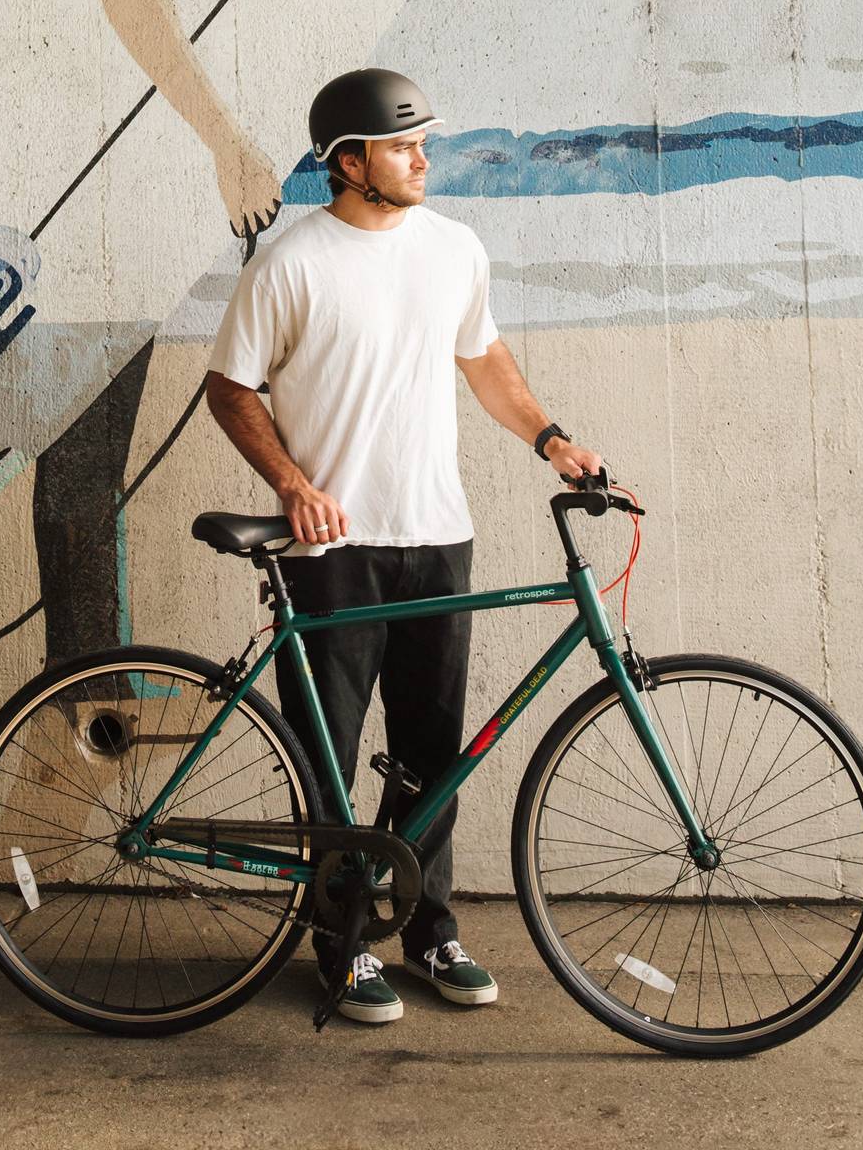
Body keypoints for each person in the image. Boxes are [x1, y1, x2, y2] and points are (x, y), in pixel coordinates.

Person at [205, 68, 603, 1024]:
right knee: (332, 762)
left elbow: (486, 361)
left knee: (433, 753)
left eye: (424, 142)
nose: (426, 157)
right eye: (403, 144)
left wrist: (552, 440)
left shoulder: (455, 249)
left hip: (437, 535)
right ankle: (341, 944)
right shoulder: (292, 263)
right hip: (331, 549)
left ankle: (428, 928)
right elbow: (230, 388)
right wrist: (293, 486)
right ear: (350, 162)